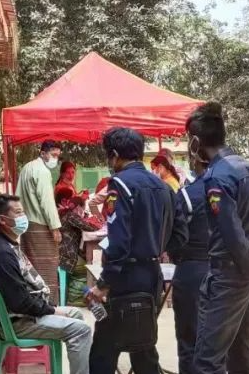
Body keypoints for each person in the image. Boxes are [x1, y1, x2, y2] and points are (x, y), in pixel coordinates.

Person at [187, 102, 249, 374]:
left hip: (229, 280)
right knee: (241, 356)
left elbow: (234, 240)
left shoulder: (216, 178)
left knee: (207, 362)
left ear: (195, 142)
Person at [87, 127, 174, 374]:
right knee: (143, 346)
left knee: (103, 351)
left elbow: (119, 243)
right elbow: (176, 232)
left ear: (114, 155)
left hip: (126, 277)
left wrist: (103, 283)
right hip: (152, 274)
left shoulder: (119, 185)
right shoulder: (162, 186)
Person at [0, 194, 93, 374]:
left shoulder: (8, 245)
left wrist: (50, 308)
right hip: (19, 321)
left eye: (23, 212)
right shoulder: (2, 254)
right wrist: (51, 310)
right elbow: (20, 302)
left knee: (76, 314)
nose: (24, 217)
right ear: (3, 220)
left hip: (25, 314)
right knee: (81, 330)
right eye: (18, 213)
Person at [164, 154, 211, 374]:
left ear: (196, 159)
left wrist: (177, 256)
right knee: (222, 342)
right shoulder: (234, 190)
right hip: (228, 271)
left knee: (189, 340)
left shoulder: (186, 195)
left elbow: (174, 236)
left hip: (191, 270)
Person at [16, 140, 64, 303]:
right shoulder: (43, 171)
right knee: (47, 270)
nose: (55, 159)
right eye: (53, 155)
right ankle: (49, 305)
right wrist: (55, 228)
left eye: (58, 156)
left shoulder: (26, 168)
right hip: (41, 226)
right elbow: (47, 202)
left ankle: (33, 303)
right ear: (43, 153)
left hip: (27, 225)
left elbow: (17, 197)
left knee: (30, 269)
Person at [56, 188, 102, 304]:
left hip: (63, 254)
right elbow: (90, 227)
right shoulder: (71, 216)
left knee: (89, 261)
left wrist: (84, 215)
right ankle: (83, 299)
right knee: (89, 267)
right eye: (83, 208)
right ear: (78, 207)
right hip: (67, 258)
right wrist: (99, 223)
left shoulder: (66, 214)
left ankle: (79, 297)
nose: (84, 210)